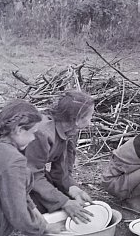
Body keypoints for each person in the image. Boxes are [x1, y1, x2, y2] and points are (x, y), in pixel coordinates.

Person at [0, 100, 60, 236]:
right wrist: (42, 229)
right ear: (19, 130)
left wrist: (38, 216)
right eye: (33, 132)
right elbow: (17, 212)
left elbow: (21, 194)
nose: (33, 138)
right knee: (12, 212)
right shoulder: (13, 159)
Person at [25, 90, 95, 223]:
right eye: (89, 117)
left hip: (29, 172)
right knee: (42, 210)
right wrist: (64, 202)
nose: (90, 122)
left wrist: (72, 188)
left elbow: (62, 168)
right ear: (76, 119)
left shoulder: (70, 130)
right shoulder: (43, 133)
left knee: (61, 202)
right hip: (12, 175)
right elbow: (31, 173)